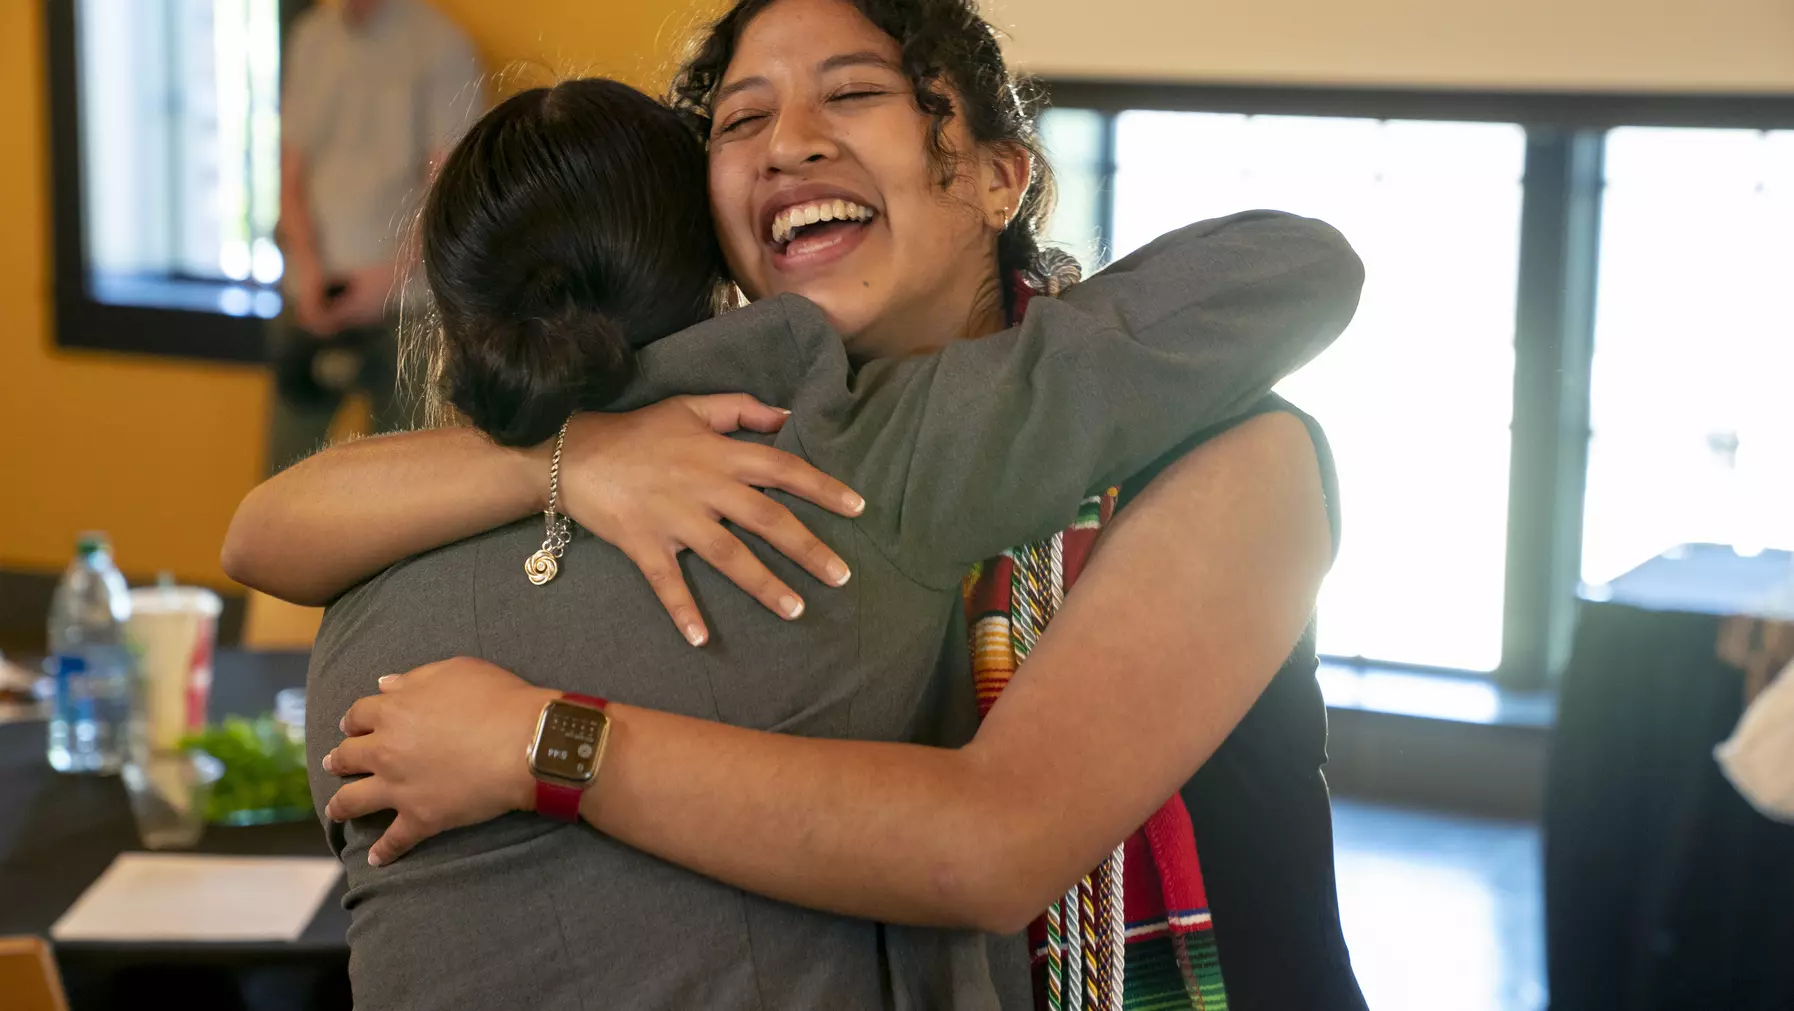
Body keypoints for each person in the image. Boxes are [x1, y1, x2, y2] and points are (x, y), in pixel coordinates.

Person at [223, 1, 1368, 1007]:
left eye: (854, 92)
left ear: (997, 172)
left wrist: (539, 739)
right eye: (738, 122)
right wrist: (568, 460)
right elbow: (268, 528)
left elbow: (995, 839)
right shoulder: (725, 446)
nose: (790, 144)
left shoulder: (1219, 448)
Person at [269, 0, 483, 474]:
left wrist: (384, 282)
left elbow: (449, 188)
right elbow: (290, 173)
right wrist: (307, 272)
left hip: (407, 307)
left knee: (404, 485)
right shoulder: (312, 39)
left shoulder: (440, 45)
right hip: (313, 296)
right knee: (283, 479)